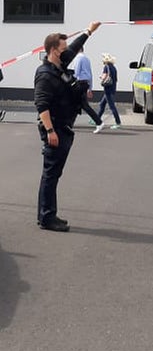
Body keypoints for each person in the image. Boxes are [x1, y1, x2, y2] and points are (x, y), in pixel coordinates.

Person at [34, 21, 101, 232]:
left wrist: (89, 31)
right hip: (55, 130)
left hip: (64, 127)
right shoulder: (45, 74)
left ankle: (46, 214)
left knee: (53, 174)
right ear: (53, 51)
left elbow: (73, 47)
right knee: (51, 174)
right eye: (62, 49)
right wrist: (50, 131)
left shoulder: (59, 67)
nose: (67, 52)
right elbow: (41, 105)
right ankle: (47, 218)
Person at [72, 45, 104, 133]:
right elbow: (90, 73)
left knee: (80, 104)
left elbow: (76, 72)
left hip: (80, 83)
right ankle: (69, 123)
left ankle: (99, 122)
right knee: (78, 104)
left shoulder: (78, 58)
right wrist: (90, 87)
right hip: (85, 83)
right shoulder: (86, 59)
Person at [96, 52, 121, 132]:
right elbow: (115, 79)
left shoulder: (106, 67)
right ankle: (96, 119)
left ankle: (118, 122)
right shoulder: (113, 67)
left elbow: (104, 76)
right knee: (102, 104)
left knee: (112, 107)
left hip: (107, 89)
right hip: (112, 88)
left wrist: (101, 77)